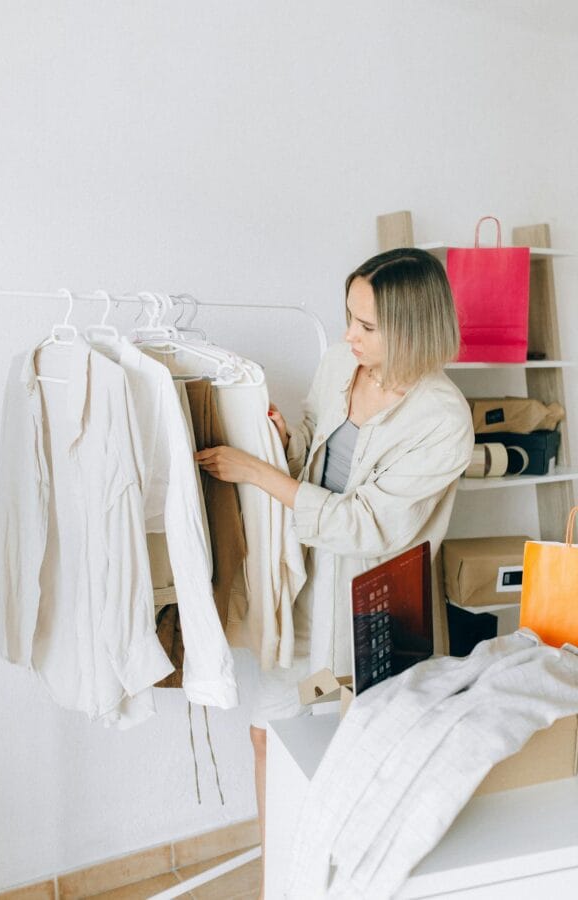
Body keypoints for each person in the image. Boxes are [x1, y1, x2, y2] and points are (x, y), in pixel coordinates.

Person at [195, 247, 474, 894]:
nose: (348, 334)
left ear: (414, 328)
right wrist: (279, 442)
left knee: (350, 759)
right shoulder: (338, 365)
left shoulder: (442, 419)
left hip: (372, 607)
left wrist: (255, 470)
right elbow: (313, 455)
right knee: (271, 736)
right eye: (348, 316)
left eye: (366, 326)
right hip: (301, 585)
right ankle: (278, 881)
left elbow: (368, 525)